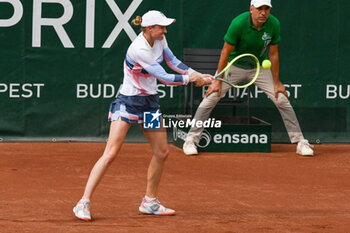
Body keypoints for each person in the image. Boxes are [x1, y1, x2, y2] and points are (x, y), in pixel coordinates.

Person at [73, 10, 212, 221]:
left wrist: (196, 73)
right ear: (149, 29)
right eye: (161, 27)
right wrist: (191, 79)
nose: (165, 30)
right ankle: (83, 202)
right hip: (128, 103)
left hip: (150, 105)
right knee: (110, 153)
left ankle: (150, 202)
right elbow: (164, 77)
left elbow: (174, 62)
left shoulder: (160, 39)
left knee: (162, 152)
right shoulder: (138, 49)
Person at [183, 0, 314, 156]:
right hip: (234, 66)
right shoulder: (238, 23)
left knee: (281, 99)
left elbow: (273, 53)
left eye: (267, 9)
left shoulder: (274, 24)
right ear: (251, 9)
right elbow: (225, 52)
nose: (263, 12)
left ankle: (300, 142)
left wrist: (277, 82)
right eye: (259, 9)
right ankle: (191, 139)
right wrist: (218, 81)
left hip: (258, 68)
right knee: (211, 97)